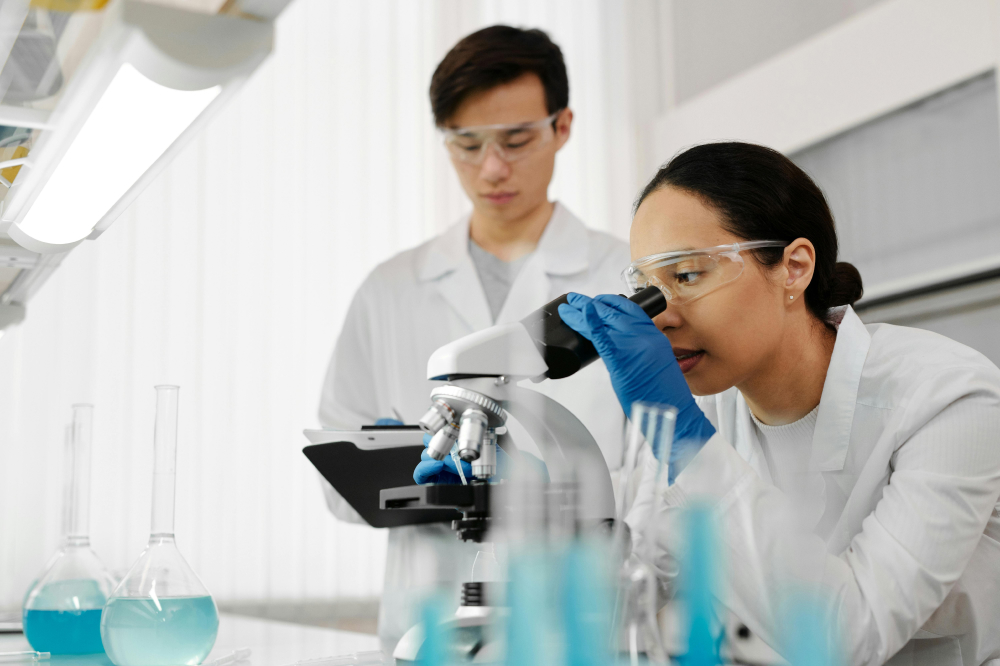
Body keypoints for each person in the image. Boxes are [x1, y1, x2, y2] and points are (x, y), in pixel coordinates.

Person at [557, 142, 1000, 665]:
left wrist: (684, 442)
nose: (660, 316)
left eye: (687, 275)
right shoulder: (707, 410)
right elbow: (640, 592)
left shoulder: (948, 396)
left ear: (794, 267)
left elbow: (846, 636)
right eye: (647, 289)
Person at [318, 26, 630, 652]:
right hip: (425, 623)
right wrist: (393, 465)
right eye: (466, 144)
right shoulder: (391, 288)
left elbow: (674, 471)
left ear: (562, 127)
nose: (492, 168)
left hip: (576, 622)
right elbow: (335, 480)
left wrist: (551, 485)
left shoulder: (621, 278)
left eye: (516, 140)